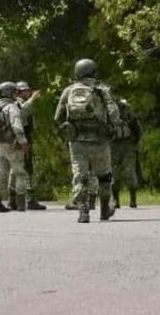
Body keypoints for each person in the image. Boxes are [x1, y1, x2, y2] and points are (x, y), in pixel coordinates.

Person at [54, 59, 119, 223]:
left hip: (77, 142)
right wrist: (113, 127)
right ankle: (104, 210)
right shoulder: (101, 89)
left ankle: (83, 212)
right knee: (104, 176)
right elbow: (114, 113)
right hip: (100, 140)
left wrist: (68, 129)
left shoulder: (69, 91)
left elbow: (57, 117)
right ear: (94, 72)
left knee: (80, 176)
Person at [0, 82, 31, 213]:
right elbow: (17, 127)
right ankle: (21, 204)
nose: (16, 94)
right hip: (13, 145)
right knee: (20, 173)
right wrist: (23, 142)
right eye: (14, 92)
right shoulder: (12, 108)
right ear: (9, 93)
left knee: (0, 173)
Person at [8, 81, 46, 210]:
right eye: (24, 91)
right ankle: (28, 199)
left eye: (28, 91)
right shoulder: (16, 104)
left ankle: (15, 199)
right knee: (25, 169)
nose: (28, 93)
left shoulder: (23, 103)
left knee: (24, 168)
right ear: (18, 92)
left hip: (26, 138)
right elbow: (21, 114)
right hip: (20, 139)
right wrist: (32, 100)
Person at [111, 98, 142, 209]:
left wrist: (135, 143)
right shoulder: (108, 111)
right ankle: (116, 200)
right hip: (114, 145)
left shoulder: (127, 111)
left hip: (126, 145)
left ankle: (132, 199)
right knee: (114, 174)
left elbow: (137, 128)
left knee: (129, 172)